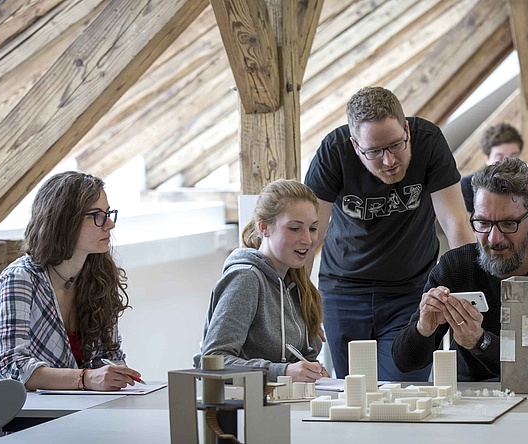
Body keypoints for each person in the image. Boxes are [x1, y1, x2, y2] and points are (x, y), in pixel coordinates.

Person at [304, 86, 475, 381]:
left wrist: (470, 294)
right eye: (374, 152)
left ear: (406, 128)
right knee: (353, 393)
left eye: (396, 145)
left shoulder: (429, 141)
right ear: (355, 146)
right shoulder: (333, 152)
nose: (389, 160)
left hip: (409, 291)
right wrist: (299, 305)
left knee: (405, 390)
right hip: (344, 292)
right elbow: (308, 235)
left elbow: (457, 224)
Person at [391, 158, 528, 382]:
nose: (494, 238)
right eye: (483, 223)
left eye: (508, 224)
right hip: (470, 400)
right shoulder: (455, 267)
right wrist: (423, 329)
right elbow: (405, 362)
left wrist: (480, 341)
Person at [0, 171, 142, 391]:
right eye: (97, 215)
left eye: (108, 213)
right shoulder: (20, 278)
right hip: (34, 417)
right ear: (64, 221)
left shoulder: (100, 275)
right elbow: (10, 367)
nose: (109, 224)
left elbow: (110, 356)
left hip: (86, 409)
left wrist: (116, 375)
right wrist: (85, 379)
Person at [202, 180, 328, 382]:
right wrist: (284, 372)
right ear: (264, 227)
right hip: (247, 408)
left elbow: (300, 359)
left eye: (313, 228)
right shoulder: (246, 278)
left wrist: (312, 372)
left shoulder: (296, 282)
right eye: (295, 228)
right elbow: (213, 361)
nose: (308, 239)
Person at [459, 123, 524, 213]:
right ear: (487, 158)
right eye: (500, 158)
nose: (508, 163)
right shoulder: (468, 185)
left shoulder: (526, 184)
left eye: (514, 156)